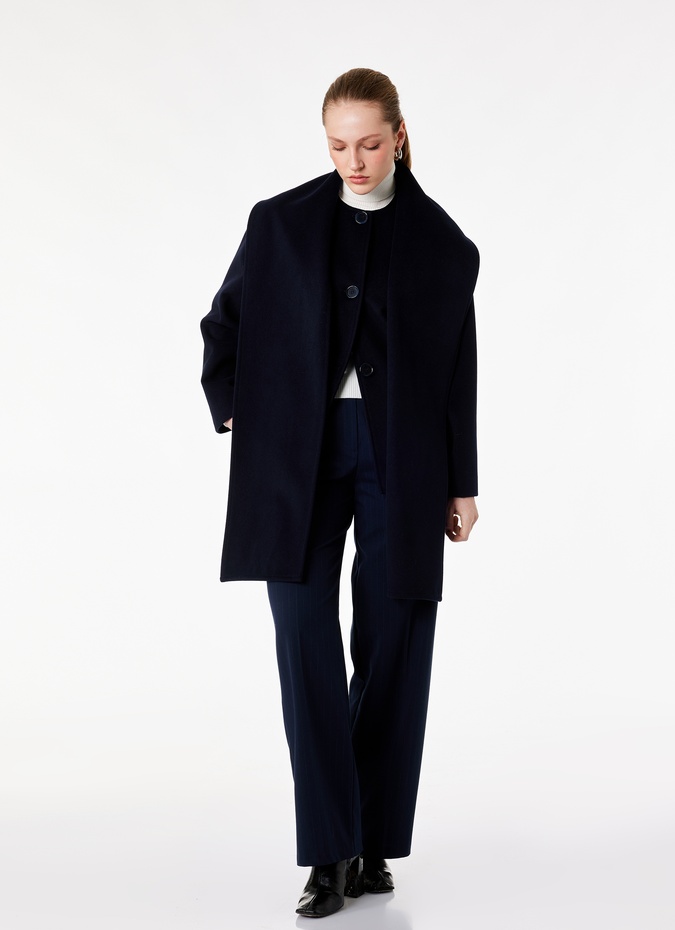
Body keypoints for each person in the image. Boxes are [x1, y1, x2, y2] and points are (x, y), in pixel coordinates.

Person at [200, 67, 480, 919]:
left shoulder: (443, 242)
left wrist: (463, 482)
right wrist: (238, 409)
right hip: (296, 454)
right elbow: (224, 321)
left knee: (396, 643)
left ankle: (372, 841)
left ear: (399, 136)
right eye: (336, 146)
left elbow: (457, 368)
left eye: (368, 144)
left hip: (403, 458)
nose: (353, 162)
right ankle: (329, 852)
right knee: (303, 640)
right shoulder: (279, 222)